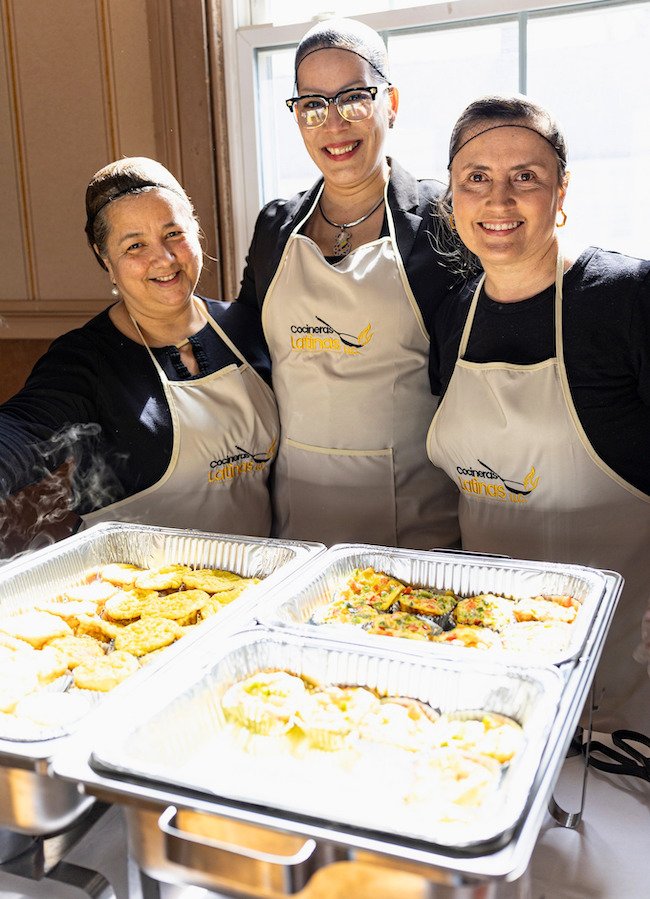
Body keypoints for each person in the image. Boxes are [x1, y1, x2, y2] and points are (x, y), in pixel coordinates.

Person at [426, 95, 650, 732]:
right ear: (451, 196)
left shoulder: (628, 296)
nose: (499, 201)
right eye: (477, 179)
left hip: (626, 664)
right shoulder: (454, 316)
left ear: (561, 191)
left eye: (526, 176)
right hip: (494, 661)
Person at [237, 17, 460, 550]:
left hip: (418, 534)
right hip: (296, 531)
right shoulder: (276, 227)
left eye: (354, 98)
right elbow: (247, 355)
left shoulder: (442, 220)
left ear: (392, 103)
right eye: (312, 104)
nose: (333, 123)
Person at [0, 157, 278, 549]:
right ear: (105, 259)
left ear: (196, 233)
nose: (163, 259)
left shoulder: (246, 327)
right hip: (136, 594)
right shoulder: (85, 360)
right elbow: (23, 427)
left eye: (174, 234)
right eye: (135, 246)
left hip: (255, 579)